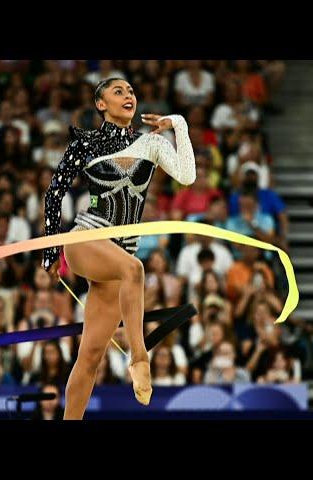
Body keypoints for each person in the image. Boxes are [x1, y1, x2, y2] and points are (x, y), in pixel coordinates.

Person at [40, 77, 195, 419]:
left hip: (119, 252)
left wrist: (179, 124)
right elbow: (54, 194)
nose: (128, 96)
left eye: (131, 92)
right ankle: (140, 358)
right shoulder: (87, 144)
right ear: (101, 104)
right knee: (134, 269)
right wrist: (51, 251)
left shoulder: (151, 144)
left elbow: (187, 176)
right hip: (85, 238)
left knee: (91, 355)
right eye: (118, 91)